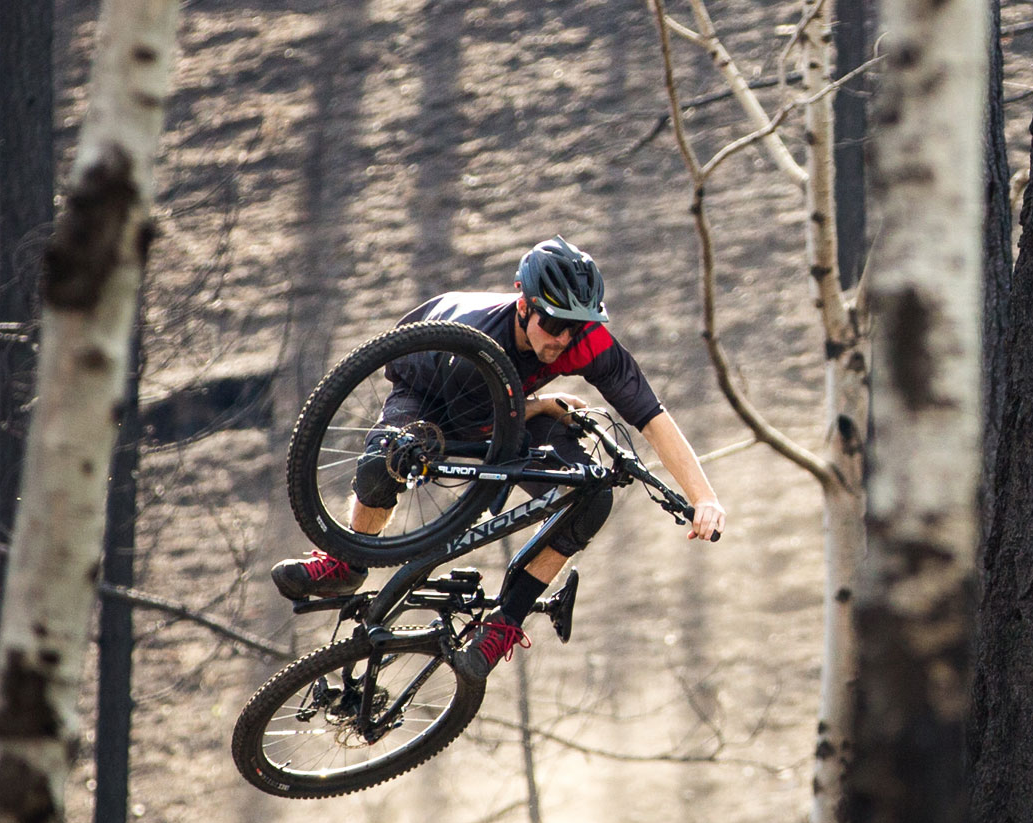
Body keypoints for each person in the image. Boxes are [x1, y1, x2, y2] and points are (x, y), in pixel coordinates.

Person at [269, 238, 729, 673]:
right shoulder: (479, 335)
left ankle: (504, 624)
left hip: (508, 402)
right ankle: (348, 562)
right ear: (523, 304)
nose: (562, 340)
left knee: (591, 496)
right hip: (432, 387)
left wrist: (703, 496)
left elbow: (651, 415)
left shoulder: (582, 338)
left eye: (574, 328)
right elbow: (474, 431)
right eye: (552, 325)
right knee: (383, 464)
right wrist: (545, 406)